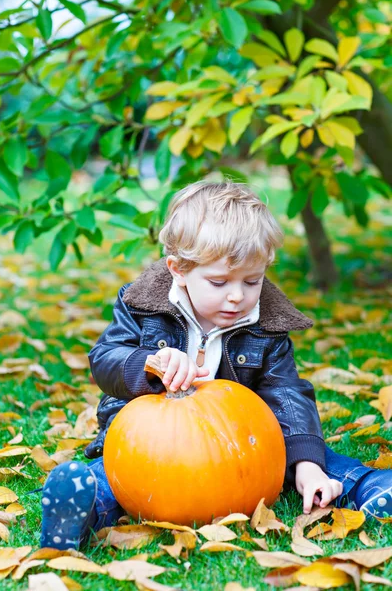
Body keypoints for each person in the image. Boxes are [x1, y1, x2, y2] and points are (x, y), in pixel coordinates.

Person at [40, 181, 392, 550]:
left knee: (307, 459)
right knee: (119, 478)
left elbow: (286, 392)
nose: (238, 296)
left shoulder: (265, 324)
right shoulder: (142, 305)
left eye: (252, 280)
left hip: (247, 446)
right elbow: (104, 359)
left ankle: (367, 486)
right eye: (219, 282)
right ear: (178, 269)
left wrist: (306, 459)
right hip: (150, 444)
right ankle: (82, 510)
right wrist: (150, 364)